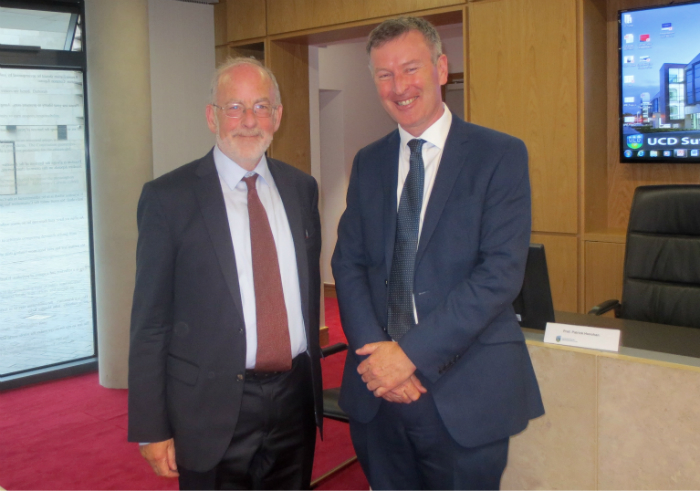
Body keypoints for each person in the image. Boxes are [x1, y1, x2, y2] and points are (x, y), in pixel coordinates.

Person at [331, 16, 544, 490]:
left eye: (410, 68)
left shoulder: (500, 155)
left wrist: (408, 355)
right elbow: (349, 263)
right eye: (384, 75)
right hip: (379, 391)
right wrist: (379, 361)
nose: (399, 86)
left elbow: (500, 273)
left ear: (441, 68)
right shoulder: (369, 162)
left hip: (465, 389)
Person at [128, 57, 322, 490]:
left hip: (294, 400)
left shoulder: (301, 189)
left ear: (278, 115)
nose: (249, 121)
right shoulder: (168, 199)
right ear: (212, 116)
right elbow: (150, 322)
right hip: (209, 407)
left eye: (261, 107)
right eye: (234, 107)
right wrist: (152, 425)